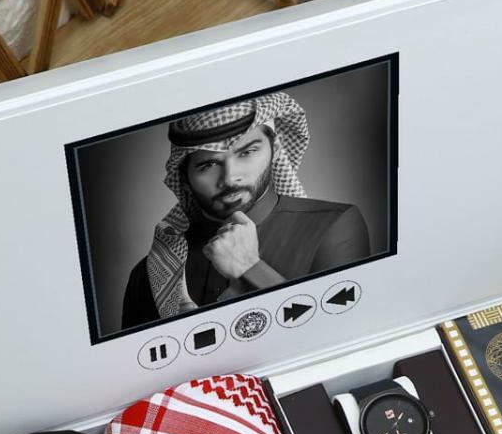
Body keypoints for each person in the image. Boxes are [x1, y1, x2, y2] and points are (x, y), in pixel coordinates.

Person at [122, 92, 370, 327]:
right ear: (184, 177)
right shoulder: (151, 274)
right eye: (208, 165)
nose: (230, 178)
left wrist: (251, 268)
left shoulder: (335, 227)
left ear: (274, 150)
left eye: (247, 152)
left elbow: (339, 335)